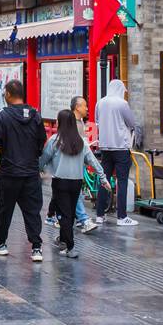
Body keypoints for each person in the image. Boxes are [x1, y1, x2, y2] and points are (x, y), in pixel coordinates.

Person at [0, 80, 47, 261]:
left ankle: (0, 243)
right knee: (32, 211)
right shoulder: (36, 115)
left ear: (9, 95)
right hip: (31, 172)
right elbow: (41, 141)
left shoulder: (3, 115)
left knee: (4, 210)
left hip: (10, 172)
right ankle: (36, 248)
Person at [41, 109, 107, 260]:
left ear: (60, 123)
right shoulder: (81, 141)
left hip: (60, 182)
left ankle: (70, 247)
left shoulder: (55, 140)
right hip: (76, 183)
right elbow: (93, 161)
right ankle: (63, 240)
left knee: (65, 214)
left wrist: (38, 170)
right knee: (69, 213)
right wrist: (103, 178)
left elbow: (43, 159)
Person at [95, 79, 140, 226]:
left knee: (104, 180)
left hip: (105, 147)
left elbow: (97, 121)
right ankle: (122, 217)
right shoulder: (122, 104)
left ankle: (100, 215)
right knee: (122, 181)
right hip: (121, 147)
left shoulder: (100, 103)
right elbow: (132, 123)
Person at [68, 95, 100, 234]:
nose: (87, 108)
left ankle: (60, 217)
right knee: (76, 192)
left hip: (78, 161)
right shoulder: (71, 123)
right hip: (72, 162)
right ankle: (83, 219)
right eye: (84, 105)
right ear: (77, 107)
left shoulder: (80, 122)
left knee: (74, 192)